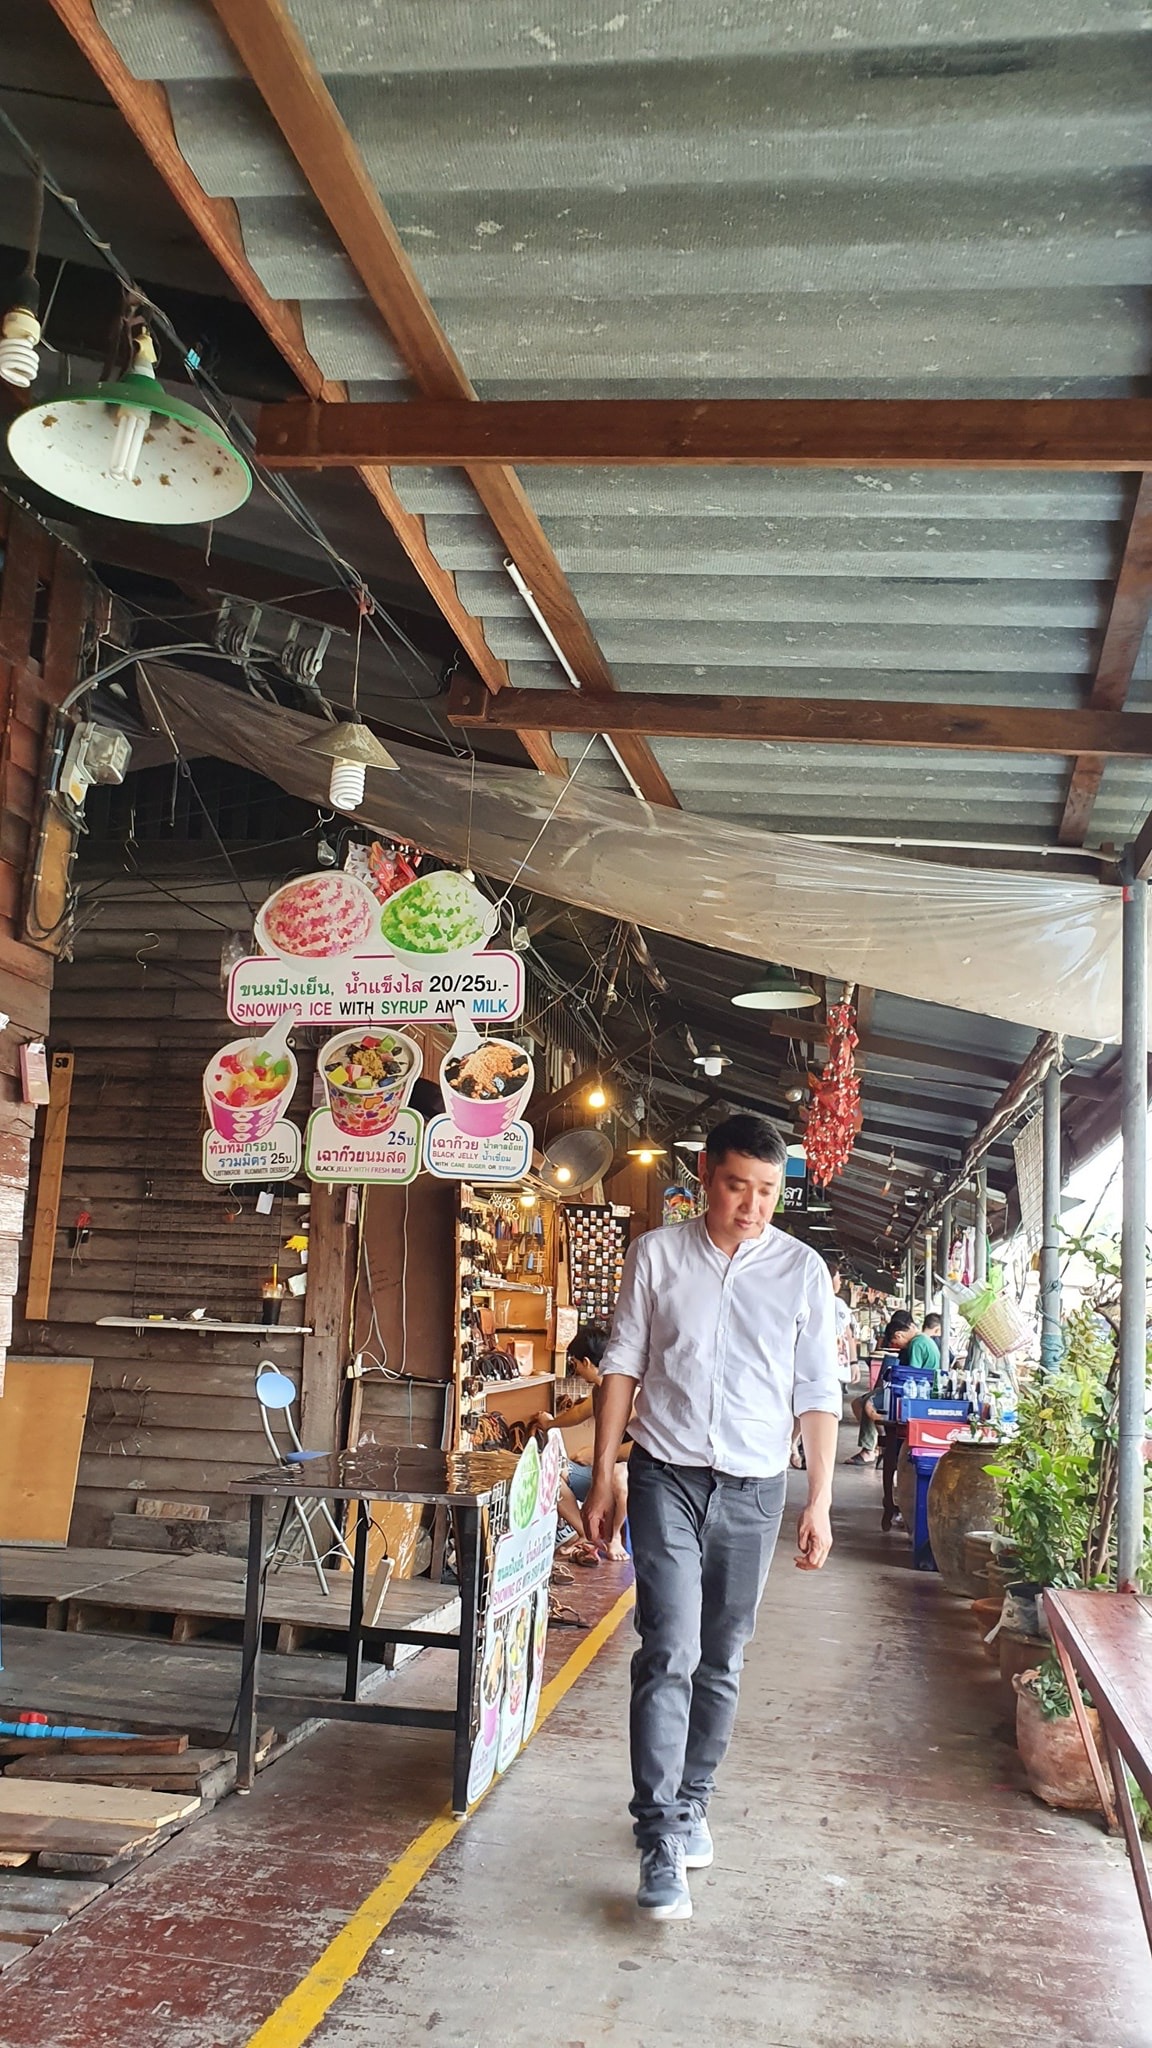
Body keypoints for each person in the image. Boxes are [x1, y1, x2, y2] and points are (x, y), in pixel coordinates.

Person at [585, 1111, 841, 1922]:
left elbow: (817, 1390)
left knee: (722, 1656)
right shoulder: (657, 1255)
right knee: (670, 1647)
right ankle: (659, 1832)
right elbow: (622, 1363)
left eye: (767, 1191)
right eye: (737, 1186)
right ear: (705, 1174)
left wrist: (820, 1499)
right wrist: (604, 1474)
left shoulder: (802, 1272)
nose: (752, 1205)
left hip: (756, 1489)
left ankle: (693, 1797)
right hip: (666, 1474)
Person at [535, 1323, 630, 1563]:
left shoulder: (629, 1393)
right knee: (551, 1476)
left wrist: (600, 1456)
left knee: (619, 1475)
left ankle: (615, 1539)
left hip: (629, 1475)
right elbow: (578, 1414)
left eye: (575, 1364)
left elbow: (642, 1447)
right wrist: (550, 1424)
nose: (575, 1370)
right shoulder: (599, 1392)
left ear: (586, 1362)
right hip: (602, 1470)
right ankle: (587, 1534)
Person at [872, 1311, 941, 1531]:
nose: (897, 1344)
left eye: (896, 1340)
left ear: (900, 1335)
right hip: (922, 1400)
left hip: (917, 1403)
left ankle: (877, 1446)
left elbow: (912, 1376)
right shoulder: (923, 1341)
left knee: (869, 1407)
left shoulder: (917, 1344)